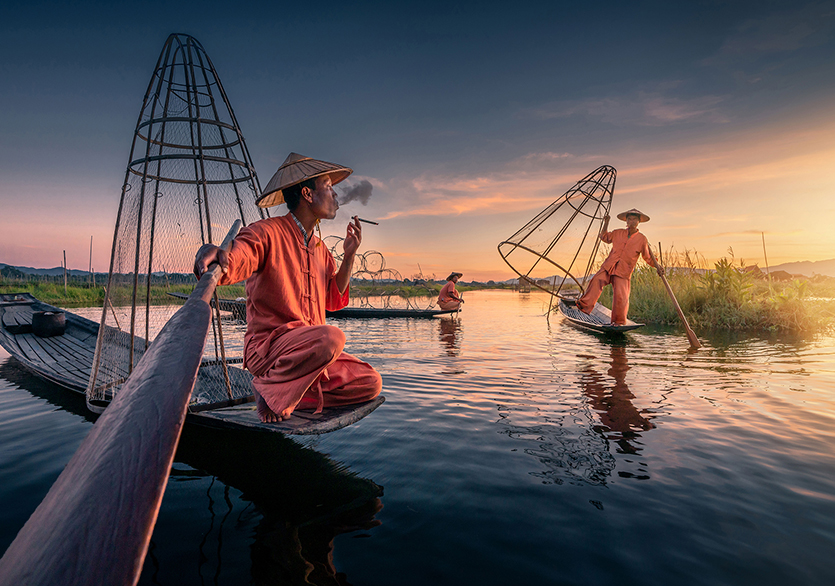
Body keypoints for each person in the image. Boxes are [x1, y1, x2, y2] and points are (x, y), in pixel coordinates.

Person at [194, 152, 382, 423]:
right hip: (270, 350)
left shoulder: (320, 248)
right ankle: (269, 388)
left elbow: (333, 299)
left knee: (370, 382)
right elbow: (239, 255)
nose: (336, 196)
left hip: (310, 354)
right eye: (329, 187)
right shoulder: (266, 231)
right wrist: (218, 255)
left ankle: (289, 394)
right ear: (307, 194)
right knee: (332, 338)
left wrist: (350, 254)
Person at [576, 208, 664, 325]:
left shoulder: (642, 239)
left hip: (624, 271)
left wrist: (657, 266)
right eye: (629, 219)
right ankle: (584, 306)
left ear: (638, 222)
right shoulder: (618, 233)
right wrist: (606, 222)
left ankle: (618, 322)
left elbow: (648, 257)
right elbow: (604, 237)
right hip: (609, 266)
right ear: (626, 221)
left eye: (634, 219)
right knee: (597, 280)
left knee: (621, 298)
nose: (631, 221)